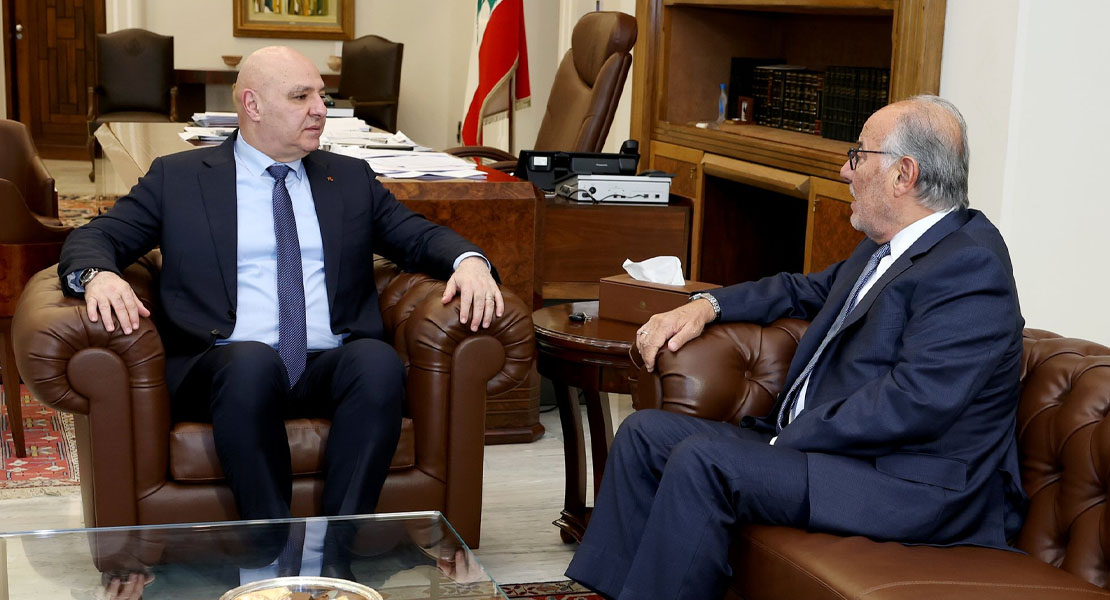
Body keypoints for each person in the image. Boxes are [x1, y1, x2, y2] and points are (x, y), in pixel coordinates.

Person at [565, 95, 1027, 600]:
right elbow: (800, 289)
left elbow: (916, 401)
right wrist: (705, 306)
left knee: (705, 461)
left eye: (858, 155)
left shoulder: (971, 266)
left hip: (907, 485)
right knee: (644, 435)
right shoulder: (889, 248)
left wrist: (793, 437)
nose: (845, 170)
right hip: (838, 456)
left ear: (904, 174)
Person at [59, 46, 503, 553]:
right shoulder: (179, 178)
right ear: (252, 104)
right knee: (251, 362)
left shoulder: (348, 178)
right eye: (300, 97)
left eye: (322, 96)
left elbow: (417, 237)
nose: (320, 109)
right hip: (224, 368)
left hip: (326, 363)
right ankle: (267, 549)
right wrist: (98, 275)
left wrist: (469, 261)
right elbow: (97, 236)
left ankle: (336, 547)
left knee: (376, 362)